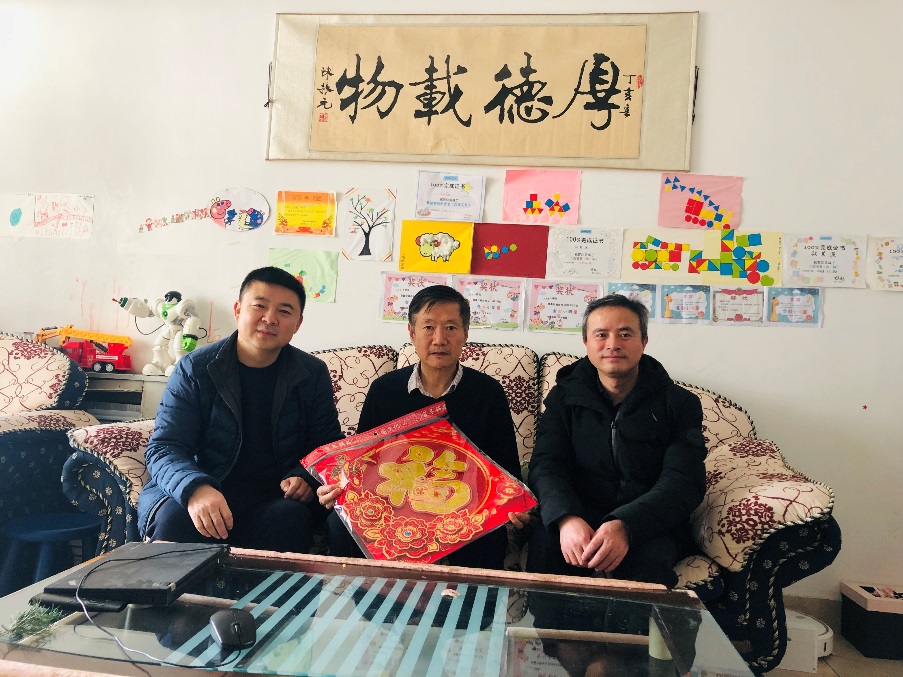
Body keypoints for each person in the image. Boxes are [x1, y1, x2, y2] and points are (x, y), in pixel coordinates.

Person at [317, 284, 530, 570]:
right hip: (395, 503)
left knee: (487, 538)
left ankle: (463, 601)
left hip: (460, 506)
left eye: (451, 328)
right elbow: (363, 462)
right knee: (339, 524)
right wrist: (337, 487)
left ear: (466, 333)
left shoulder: (488, 393)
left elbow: (505, 467)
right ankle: (373, 598)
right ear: (411, 333)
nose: (439, 339)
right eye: (428, 327)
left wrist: (515, 503)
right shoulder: (385, 390)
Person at [138, 266, 342, 554]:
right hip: (205, 485)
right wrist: (195, 488)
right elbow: (165, 447)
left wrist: (304, 478)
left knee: (291, 519)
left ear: (298, 323)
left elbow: (327, 447)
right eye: (259, 306)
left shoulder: (311, 373)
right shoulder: (195, 369)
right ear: (238, 310)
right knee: (175, 519)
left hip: (273, 497)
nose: (269, 318)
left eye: (284, 311)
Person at [527, 294, 706, 587]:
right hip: (579, 514)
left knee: (647, 572)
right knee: (547, 554)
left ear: (644, 341)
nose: (613, 344)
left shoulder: (680, 404)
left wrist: (626, 525)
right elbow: (547, 465)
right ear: (586, 342)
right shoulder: (563, 399)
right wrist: (566, 518)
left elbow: (684, 480)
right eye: (601, 335)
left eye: (625, 334)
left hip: (649, 520)